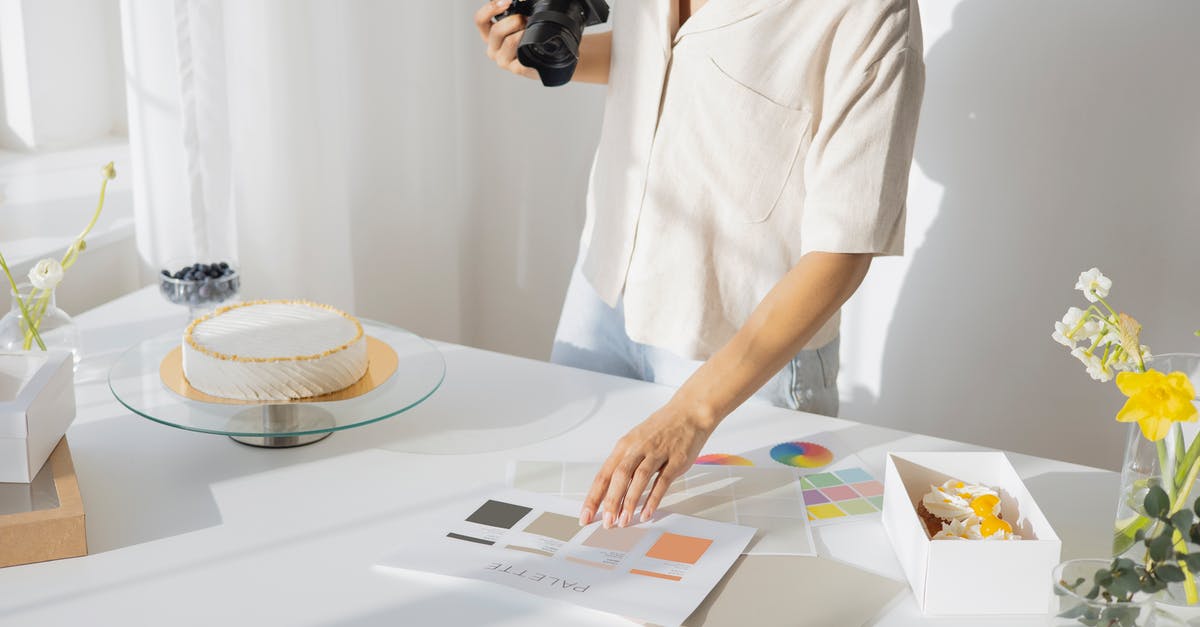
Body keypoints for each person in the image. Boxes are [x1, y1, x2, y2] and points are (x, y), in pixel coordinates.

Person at [475, 0, 924, 530]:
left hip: (737, 354)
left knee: (740, 592)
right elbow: (670, 58)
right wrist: (550, 55)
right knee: (563, 547)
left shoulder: (867, 11)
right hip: (603, 294)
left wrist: (693, 412)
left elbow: (845, 248)